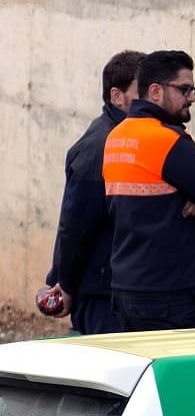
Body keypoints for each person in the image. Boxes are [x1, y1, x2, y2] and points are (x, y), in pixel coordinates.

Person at [103, 50, 195, 331]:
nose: (192, 97)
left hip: (126, 289)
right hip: (169, 295)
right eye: (184, 89)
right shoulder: (167, 140)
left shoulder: (116, 136)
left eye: (193, 89)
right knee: (193, 361)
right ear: (156, 92)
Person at [40, 50, 145, 334]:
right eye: (141, 92)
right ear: (116, 96)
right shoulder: (100, 146)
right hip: (100, 295)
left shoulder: (128, 137)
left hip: (117, 288)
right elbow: (75, 224)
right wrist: (65, 283)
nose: (150, 99)